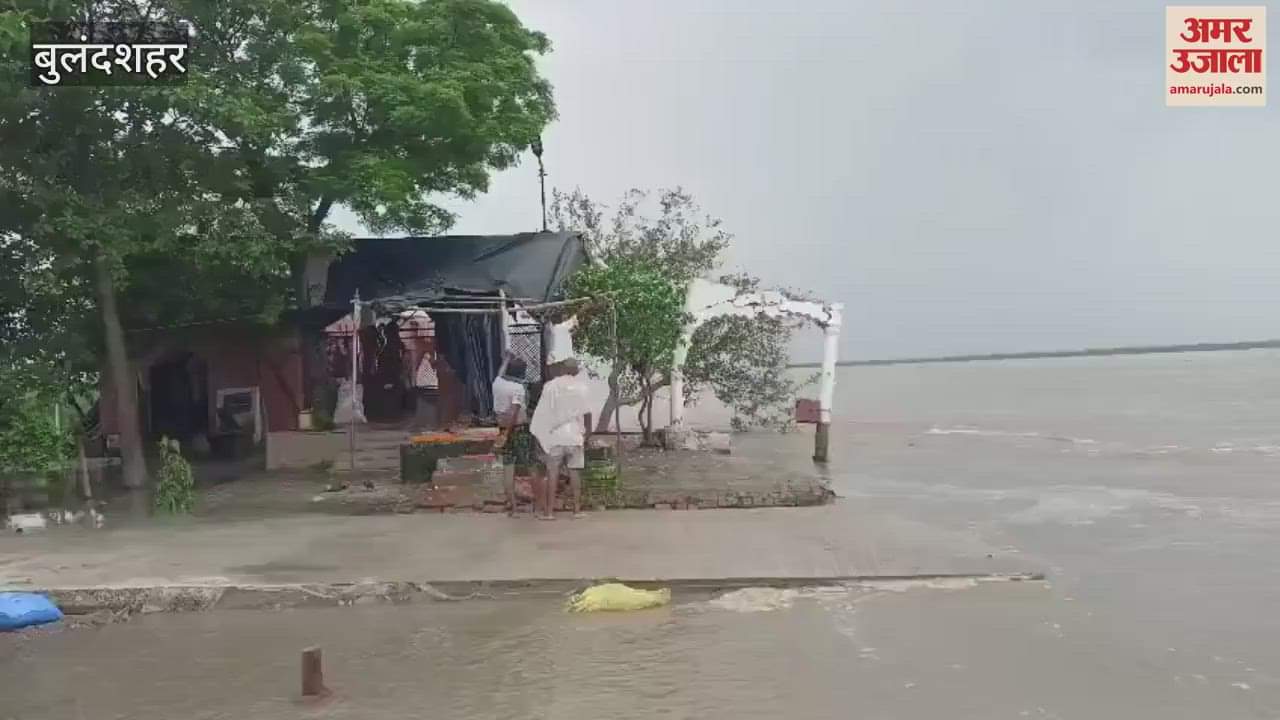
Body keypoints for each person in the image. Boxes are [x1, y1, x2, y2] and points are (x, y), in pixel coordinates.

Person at [529, 357, 593, 519]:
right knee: (575, 472)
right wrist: (587, 434)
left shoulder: (550, 386)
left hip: (555, 436)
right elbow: (587, 413)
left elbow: (542, 413)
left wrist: (541, 433)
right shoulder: (582, 388)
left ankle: (549, 513)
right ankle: (577, 510)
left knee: (552, 473)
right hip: (575, 435)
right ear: (576, 371)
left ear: (562, 369)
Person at [492, 354, 532, 516]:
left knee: (508, 467)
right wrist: (508, 434)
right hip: (517, 429)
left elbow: (500, 372)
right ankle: (540, 505)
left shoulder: (497, 383)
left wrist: (506, 358)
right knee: (531, 465)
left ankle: (513, 508)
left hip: (502, 428)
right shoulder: (518, 389)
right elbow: (514, 412)